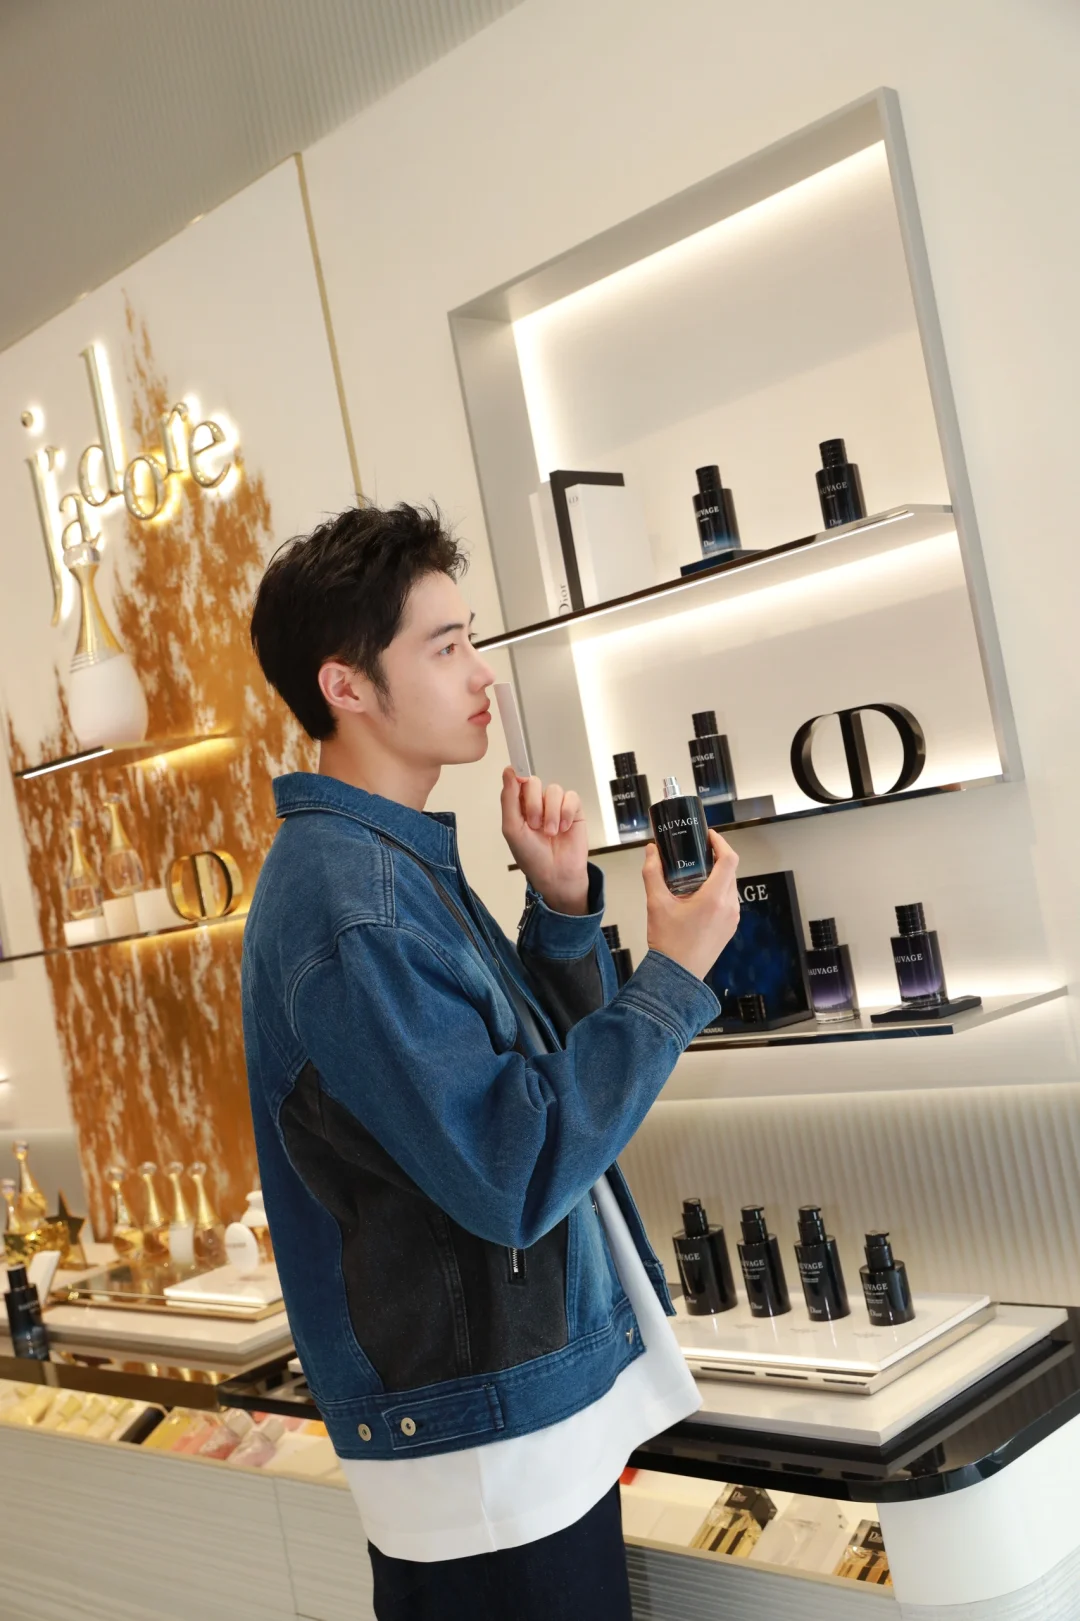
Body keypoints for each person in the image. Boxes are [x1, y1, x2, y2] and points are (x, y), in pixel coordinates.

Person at [243, 503, 740, 1620]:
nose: (483, 673)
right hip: (486, 1460)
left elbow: (518, 1091)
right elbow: (514, 1170)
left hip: (512, 1429)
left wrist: (561, 913)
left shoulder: (390, 864)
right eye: (446, 646)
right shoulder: (355, 904)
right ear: (346, 685)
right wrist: (672, 973)